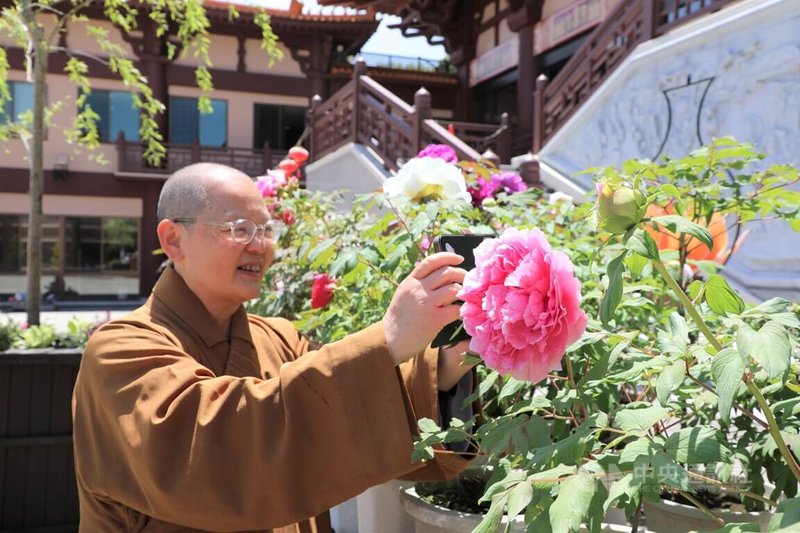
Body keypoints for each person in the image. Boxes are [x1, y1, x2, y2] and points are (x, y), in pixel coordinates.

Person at [72, 162, 476, 532]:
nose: (260, 246)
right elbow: (219, 452)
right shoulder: (118, 350)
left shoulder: (281, 338)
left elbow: (359, 411)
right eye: (240, 229)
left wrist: (444, 369)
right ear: (174, 239)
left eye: (265, 230)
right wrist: (388, 337)